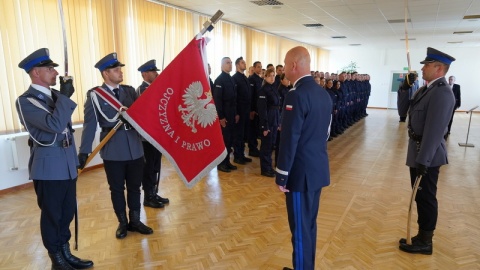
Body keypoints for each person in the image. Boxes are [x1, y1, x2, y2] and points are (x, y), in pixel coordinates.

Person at [16, 48, 94, 269]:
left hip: (66, 164)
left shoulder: (56, 97)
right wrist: (65, 97)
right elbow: (54, 126)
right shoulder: (26, 101)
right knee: (52, 214)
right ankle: (56, 258)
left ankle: (65, 251)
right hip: (48, 167)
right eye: (49, 68)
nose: (54, 72)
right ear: (36, 72)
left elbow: (66, 132)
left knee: (67, 211)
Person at [78, 53, 153, 239]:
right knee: (117, 189)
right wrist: (84, 152)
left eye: (120, 68)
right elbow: (90, 125)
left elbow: (142, 115)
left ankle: (135, 220)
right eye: (116, 69)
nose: (121, 72)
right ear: (105, 73)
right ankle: (122, 223)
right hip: (113, 150)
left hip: (134, 147)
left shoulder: (129, 91)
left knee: (135, 187)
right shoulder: (95, 95)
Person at [275, 46, 332, 270]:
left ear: (293, 66)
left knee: (299, 229)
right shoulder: (323, 93)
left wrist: (281, 176)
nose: (284, 68)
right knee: (309, 225)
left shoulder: (295, 95)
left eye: (285, 63)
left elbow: (289, 140)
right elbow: (325, 133)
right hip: (317, 171)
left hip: (299, 176)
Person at [398, 47, 456, 255]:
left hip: (427, 154)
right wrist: (405, 87)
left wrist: (424, 160)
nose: (422, 68)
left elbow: (434, 131)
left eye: (427, 65)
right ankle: (422, 235)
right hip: (419, 151)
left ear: (439, 68)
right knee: (420, 196)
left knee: (426, 197)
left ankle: (426, 241)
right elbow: (404, 110)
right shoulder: (426, 89)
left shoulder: (442, 93)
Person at [136, 59, 169, 208]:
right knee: (148, 167)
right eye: (153, 72)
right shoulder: (142, 90)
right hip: (147, 138)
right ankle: (148, 196)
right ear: (144, 74)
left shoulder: (157, 88)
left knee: (155, 165)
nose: (156, 74)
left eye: (156, 71)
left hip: (157, 136)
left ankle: (153, 193)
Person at [213, 57, 238, 172]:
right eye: (228, 63)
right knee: (224, 140)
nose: (230, 65)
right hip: (224, 115)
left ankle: (227, 161)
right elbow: (217, 101)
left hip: (232, 114)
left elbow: (235, 99)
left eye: (231, 63)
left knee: (230, 140)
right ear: (222, 65)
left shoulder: (231, 79)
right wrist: (221, 117)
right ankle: (221, 164)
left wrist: (236, 113)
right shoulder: (219, 80)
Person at [257, 68, 281, 177]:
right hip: (268, 120)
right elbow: (262, 110)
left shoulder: (274, 88)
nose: (272, 77)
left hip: (275, 119)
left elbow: (277, 107)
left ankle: (269, 167)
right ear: (265, 77)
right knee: (266, 146)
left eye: (273, 75)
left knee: (271, 145)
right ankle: (265, 169)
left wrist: (279, 122)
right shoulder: (263, 90)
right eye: (270, 75)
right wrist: (264, 126)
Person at [232, 57, 253, 165]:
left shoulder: (244, 77)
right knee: (238, 134)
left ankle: (242, 155)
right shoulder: (235, 78)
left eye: (244, 62)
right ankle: (237, 156)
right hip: (239, 111)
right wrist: (236, 113)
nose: (244, 64)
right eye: (242, 63)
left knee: (244, 134)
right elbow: (234, 97)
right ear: (237, 65)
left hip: (246, 110)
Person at [247, 61, 263, 157]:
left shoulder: (260, 79)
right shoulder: (251, 79)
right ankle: (252, 148)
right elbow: (251, 96)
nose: (260, 69)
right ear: (254, 68)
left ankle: (255, 147)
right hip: (253, 109)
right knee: (252, 130)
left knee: (256, 129)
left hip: (259, 108)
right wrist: (252, 110)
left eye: (261, 67)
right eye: (258, 67)